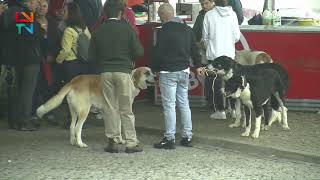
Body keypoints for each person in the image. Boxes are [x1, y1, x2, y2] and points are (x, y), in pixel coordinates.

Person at [89, 0, 144, 153]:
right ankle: (131, 143)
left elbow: (91, 55)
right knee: (126, 108)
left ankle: (112, 142)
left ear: (105, 13)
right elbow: (139, 51)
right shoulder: (127, 29)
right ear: (121, 12)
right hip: (123, 72)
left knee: (110, 107)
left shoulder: (98, 30)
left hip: (106, 73)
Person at [151, 3, 203, 149]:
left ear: (163, 16)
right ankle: (187, 137)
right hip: (184, 71)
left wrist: (154, 68)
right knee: (184, 104)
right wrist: (198, 66)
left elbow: (158, 52)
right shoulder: (187, 29)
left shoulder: (163, 31)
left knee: (169, 106)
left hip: (168, 72)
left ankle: (169, 139)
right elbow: (194, 49)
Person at [2, 0, 44, 130]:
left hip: (13, 58)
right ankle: (24, 122)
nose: (36, 5)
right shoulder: (22, 13)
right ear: (27, 2)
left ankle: (14, 121)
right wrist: (41, 29)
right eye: (34, 2)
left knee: (16, 90)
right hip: (29, 58)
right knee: (27, 92)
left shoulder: (6, 13)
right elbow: (28, 36)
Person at [202, 0, 240, 119]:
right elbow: (237, 37)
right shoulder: (233, 14)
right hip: (229, 55)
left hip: (214, 56)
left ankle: (220, 111)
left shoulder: (209, 15)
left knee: (215, 83)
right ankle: (233, 110)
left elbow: (205, 36)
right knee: (231, 81)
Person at [56, 2, 91, 82]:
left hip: (71, 65)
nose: (62, 13)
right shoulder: (85, 28)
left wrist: (58, 60)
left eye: (65, 11)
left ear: (71, 13)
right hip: (84, 63)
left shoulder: (68, 30)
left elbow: (66, 51)